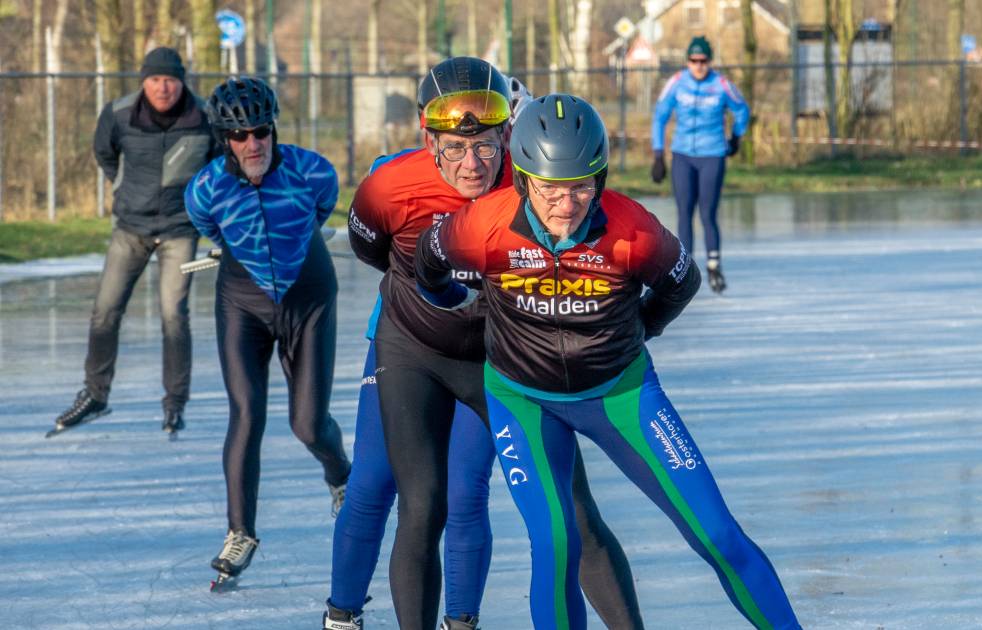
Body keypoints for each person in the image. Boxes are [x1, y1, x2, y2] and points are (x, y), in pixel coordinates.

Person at [414, 93, 801, 629]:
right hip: (523, 400)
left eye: (580, 186)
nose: (565, 205)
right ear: (524, 180)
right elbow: (427, 259)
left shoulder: (632, 229)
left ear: (600, 178)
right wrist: (462, 308)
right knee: (555, 543)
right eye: (550, 188)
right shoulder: (483, 225)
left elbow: (681, 283)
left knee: (716, 534)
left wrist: (645, 325)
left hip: (621, 394)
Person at [343, 58, 643, 630]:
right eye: (455, 148)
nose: (472, 163)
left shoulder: (534, 185)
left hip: (503, 361)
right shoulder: (391, 182)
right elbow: (372, 249)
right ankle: (356, 611)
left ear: (511, 138)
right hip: (415, 349)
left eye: (487, 145)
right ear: (428, 139)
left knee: (569, 515)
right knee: (419, 501)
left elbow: (589, 257)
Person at [184, 77, 351, 586]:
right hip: (243, 302)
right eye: (239, 135)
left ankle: (340, 474)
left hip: (309, 299)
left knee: (307, 424)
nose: (252, 143)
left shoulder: (312, 171)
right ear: (224, 139)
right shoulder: (206, 189)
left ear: (273, 128)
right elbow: (210, 229)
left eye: (260, 131)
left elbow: (323, 208)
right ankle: (241, 532)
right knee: (247, 412)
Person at [48, 47, 219, 438]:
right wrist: (126, 189)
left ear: (182, 82)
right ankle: (95, 394)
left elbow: (217, 168)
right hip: (131, 229)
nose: (163, 87)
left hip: (180, 230)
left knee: (174, 316)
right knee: (104, 312)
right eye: (156, 79)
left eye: (171, 80)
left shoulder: (205, 117)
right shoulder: (119, 113)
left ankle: (175, 404)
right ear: (144, 81)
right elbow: (104, 154)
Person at [650, 35, 750, 294]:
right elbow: (659, 116)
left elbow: (742, 109)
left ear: (710, 61)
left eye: (703, 60)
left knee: (707, 213)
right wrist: (658, 154)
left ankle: (714, 265)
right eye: (693, 60)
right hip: (682, 154)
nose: (698, 65)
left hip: (712, 154)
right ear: (687, 61)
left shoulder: (722, 84)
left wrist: (737, 137)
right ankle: (685, 270)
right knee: (684, 212)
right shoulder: (676, 82)